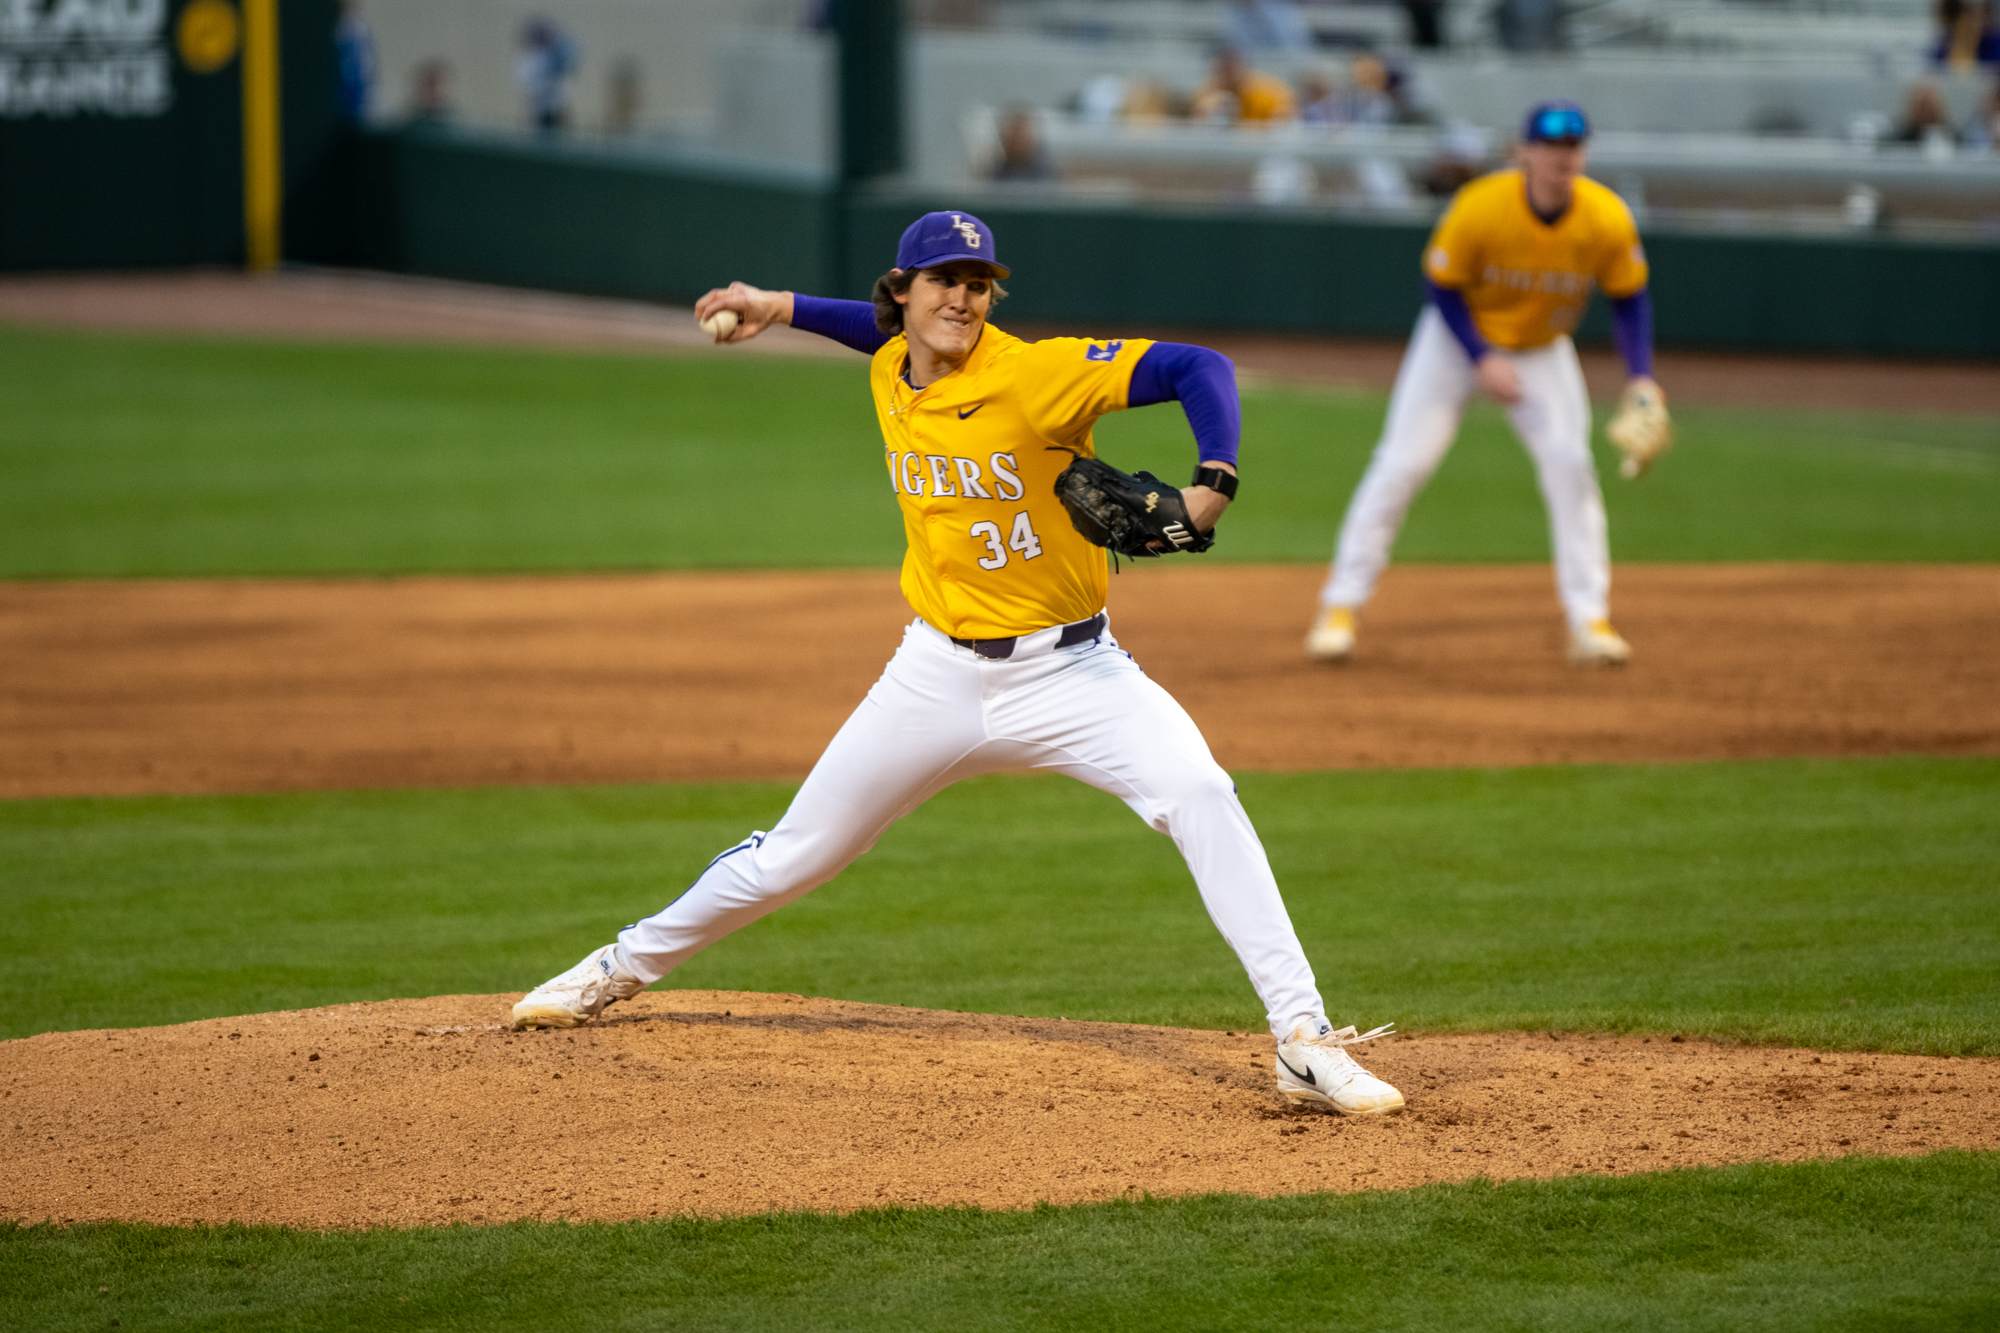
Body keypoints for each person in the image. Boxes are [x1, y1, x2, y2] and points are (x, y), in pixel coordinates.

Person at [511, 211, 1406, 1118]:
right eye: (943, 280)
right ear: (902, 294)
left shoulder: (1039, 373)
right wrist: (778, 306)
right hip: (932, 676)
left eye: (978, 284)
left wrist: (1214, 483)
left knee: (1202, 793)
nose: (964, 299)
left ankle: (1302, 1037)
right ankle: (616, 966)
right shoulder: (891, 364)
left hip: (1076, 676)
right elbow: (869, 330)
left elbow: (1197, 367)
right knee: (797, 855)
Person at [1305, 101, 1659, 667]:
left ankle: (1588, 618)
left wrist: (1641, 376)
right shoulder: (1483, 205)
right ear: (1525, 152)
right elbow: (1441, 285)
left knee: (1570, 465)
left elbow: (1629, 299)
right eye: (1549, 145)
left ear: (1582, 154)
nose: (1562, 156)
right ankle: (1340, 606)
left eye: (1572, 146)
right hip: (1455, 339)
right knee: (1403, 463)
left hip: (1542, 349)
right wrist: (1481, 357)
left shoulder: (1606, 216)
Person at [1192, 48, 1298, 125]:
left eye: (1232, 70)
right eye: (1222, 70)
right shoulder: (1208, 91)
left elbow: (1282, 127)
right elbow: (1197, 127)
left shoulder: (1272, 92)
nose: (1228, 76)